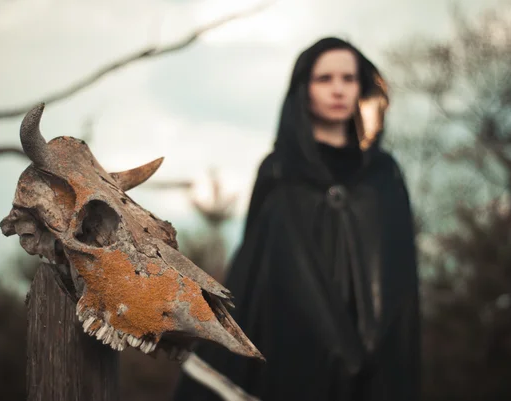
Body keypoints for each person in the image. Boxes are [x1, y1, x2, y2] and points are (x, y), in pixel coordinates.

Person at [173, 37, 420, 401]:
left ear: (362, 86)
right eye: (325, 79)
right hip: (292, 349)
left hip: (375, 359)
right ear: (304, 89)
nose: (338, 89)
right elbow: (258, 269)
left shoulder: (382, 174)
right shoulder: (279, 171)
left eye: (348, 79)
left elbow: (398, 278)